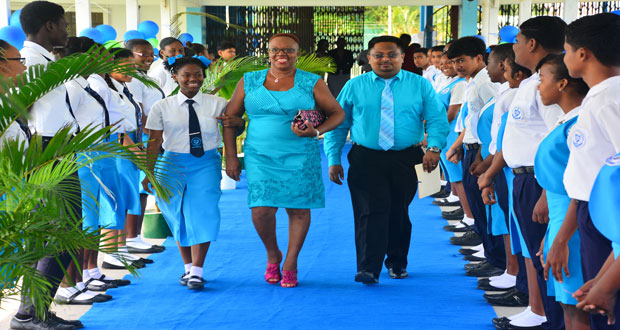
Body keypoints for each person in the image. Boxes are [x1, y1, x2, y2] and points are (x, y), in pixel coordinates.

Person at [222, 33, 345, 288]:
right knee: (261, 209)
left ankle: (290, 261)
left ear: (297, 53)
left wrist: (318, 132)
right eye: (276, 49)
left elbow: (337, 113)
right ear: (267, 52)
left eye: (288, 50)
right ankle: (272, 253)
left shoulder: (311, 82)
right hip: (259, 154)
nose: (282, 54)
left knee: (298, 208)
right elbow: (230, 119)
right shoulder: (250, 80)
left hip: (301, 153)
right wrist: (231, 158)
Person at [324, 35, 449, 284]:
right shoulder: (354, 86)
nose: (385, 60)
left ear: (403, 57)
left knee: (398, 211)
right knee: (369, 211)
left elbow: (436, 118)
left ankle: (396, 261)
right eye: (378, 55)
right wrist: (333, 157)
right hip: (366, 157)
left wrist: (434, 148)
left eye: (392, 54)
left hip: (407, 157)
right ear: (368, 58)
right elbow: (339, 124)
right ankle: (368, 267)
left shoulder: (420, 85)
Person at [478, 16, 567, 330]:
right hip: (520, 175)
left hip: (538, 180)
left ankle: (550, 317)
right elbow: (515, 136)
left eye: (516, 41)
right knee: (531, 247)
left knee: (545, 250)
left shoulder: (551, 82)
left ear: (531, 43)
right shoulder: (531, 83)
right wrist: (491, 171)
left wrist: (545, 190)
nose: (512, 48)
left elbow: (556, 139)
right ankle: (539, 310)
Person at [11, 2, 83, 329]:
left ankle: (31, 312)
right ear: (50, 26)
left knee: (50, 237)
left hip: (57, 150)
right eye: (64, 23)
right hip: (47, 152)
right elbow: (17, 111)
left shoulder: (43, 60)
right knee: (64, 234)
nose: (68, 30)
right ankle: (32, 313)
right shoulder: (27, 63)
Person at [142, 56, 226, 290]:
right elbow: (154, 141)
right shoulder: (162, 106)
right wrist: (149, 172)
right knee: (176, 214)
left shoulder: (218, 103)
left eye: (197, 74)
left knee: (204, 213)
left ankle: (198, 271)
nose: (193, 79)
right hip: (171, 164)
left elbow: (233, 127)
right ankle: (187, 267)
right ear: (175, 77)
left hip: (206, 163)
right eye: (186, 75)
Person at [560, 13, 620, 329]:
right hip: (595, 215)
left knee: (605, 311)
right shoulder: (599, 95)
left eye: (566, 50)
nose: (564, 57)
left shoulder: (611, 97)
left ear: (582, 53)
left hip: (608, 220)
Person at [534, 53, 590, 330]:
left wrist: (561, 240)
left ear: (562, 84)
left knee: (578, 307)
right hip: (562, 221)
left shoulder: (578, 126)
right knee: (567, 305)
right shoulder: (567, 120)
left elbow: (580, 189)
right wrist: (551, 234)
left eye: (542, 79)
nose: (538, 86)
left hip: (574, 226)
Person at [444, 36, 504, 279]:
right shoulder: (471, 81)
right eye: (454, 61)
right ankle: (490, 253)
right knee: (477, 206)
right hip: (470, 147)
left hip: (481, 151)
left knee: (485, 207)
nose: (458, 65)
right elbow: (471, 120)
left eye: (462, 60)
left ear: (479, 58)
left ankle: (496, 259)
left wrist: (480, 153)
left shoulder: (486, 83)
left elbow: (491, 124)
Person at [125, 38, 167, 254]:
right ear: (129, 55)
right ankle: (131, 237)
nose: (149, 58)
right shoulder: (132, 80)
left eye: (151, 54)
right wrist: (154, 139)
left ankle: (135, 235)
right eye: (143, 54)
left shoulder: (144, 77)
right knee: (138, 188)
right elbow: (140, 114)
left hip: (151, 136)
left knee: (143, 189)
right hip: (143, 137)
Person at [435, 53, 475, 233]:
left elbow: (451, 113)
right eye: (442, 64)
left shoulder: (459, 84)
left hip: (450, 133)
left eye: (449, 63)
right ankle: (465, 212)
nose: (445, 66)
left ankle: (469, 216)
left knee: (459, 176)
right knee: (454, 176)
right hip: (444, 133)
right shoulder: (448, 82)